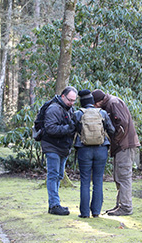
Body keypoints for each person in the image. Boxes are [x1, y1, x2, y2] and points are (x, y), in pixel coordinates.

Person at [92, 89, 140, 216]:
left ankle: (126, 207)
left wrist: (115, 139)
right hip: (121, 145)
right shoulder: (110, 103)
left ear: (98, 102)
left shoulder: (113, 103)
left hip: (125, 145)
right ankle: (120, 204)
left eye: (94, 104)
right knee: (118, 176)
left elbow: (122, 124)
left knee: (124, 176)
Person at [72, 90, 115, 218]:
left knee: (85, 181)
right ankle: (96, 212)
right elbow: (112, 129)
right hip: (101, 149)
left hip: (84, 149)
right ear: (92, 101)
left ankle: (84, 213)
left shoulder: (78, 114)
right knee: (98, 180)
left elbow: (71, 129)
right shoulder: (102, 113)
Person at [41, 86, 77, 216]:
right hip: (52, 146)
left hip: (63, 147)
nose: (71, 103)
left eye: (74, 101)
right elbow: (50, 128)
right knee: (53, 175)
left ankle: (54, 204)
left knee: (59, 176)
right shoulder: (54, 108)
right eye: (70, 100)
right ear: (63, 96)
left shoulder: (69, 109)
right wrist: (69, 128)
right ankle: (54, 204)